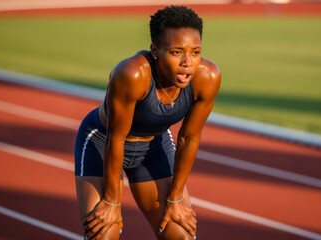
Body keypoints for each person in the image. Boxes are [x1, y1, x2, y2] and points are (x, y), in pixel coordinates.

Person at [74, 5, 221, 240]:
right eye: (176, 52)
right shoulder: (132, 74)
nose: (188, 62)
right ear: (155, 50)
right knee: (104, 233)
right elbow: (116, 137)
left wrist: (176, 198)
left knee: (180, 233)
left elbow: (188, 138)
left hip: (154, 146)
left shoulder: (207, 77)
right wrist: (112, 201)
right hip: (103, 141)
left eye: (195, 52)